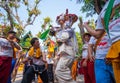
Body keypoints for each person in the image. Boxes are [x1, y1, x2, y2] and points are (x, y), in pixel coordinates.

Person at [82, 0, 120, 82]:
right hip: (111, 54)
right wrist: (85, 25)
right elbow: (97, 34)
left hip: (109, 56)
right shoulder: (103, 12)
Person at [52, 10, 78, 83]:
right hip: (62, 54)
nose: (60, 21)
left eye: (62, 20)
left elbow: (64, 38)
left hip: (68, 54)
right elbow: (59, 41)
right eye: (59, 20)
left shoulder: (68, 29)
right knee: (59, 76)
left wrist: (68, 22)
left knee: (60, 72)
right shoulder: (61, 31)